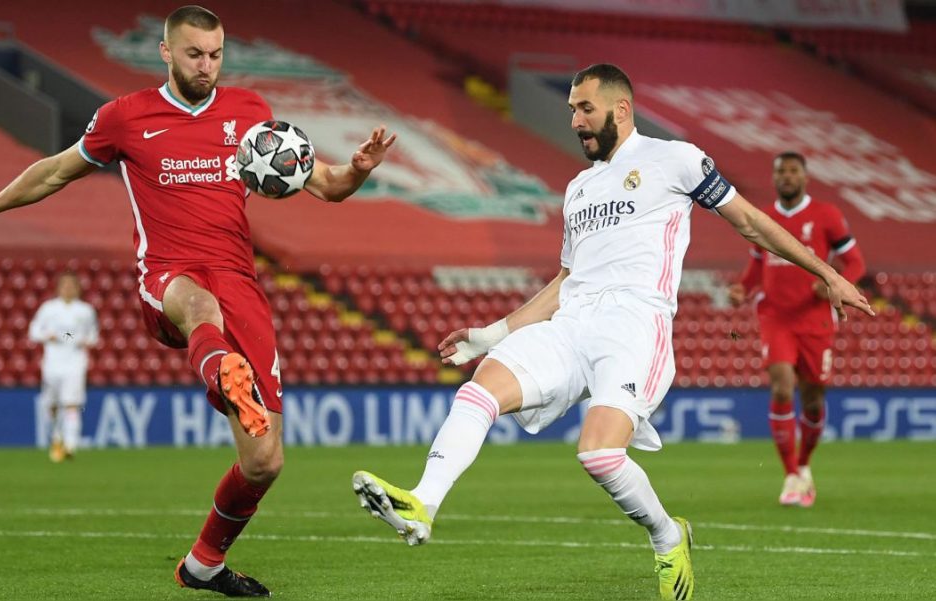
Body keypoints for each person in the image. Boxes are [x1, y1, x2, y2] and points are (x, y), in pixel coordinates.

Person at [351, 64, 872, 601]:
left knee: (598, 455)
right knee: (480, 388)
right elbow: (566, 279)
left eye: (585, 109)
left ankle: (668, 536)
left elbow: (750, 222)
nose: (575, 121)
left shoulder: (676, 159)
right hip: (571, 323)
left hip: (634, 326)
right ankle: (423, 503)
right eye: (571, 110)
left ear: (621, 110)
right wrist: (492, 333)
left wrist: (828, 274)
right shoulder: (578, 189)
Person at [0, 5, 395, 597]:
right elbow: (54, 172)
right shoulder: (125, 118)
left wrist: (357, 169)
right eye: (195, 54)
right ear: (166, 52)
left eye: (216, 54)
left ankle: (202, 564)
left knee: (264, 462)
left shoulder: (250, 114)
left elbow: (326, 185)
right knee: (201, 309)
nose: (207, 65)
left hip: (239, 282)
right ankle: (222, 371)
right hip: (169, 276)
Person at [728, 152, 865, 508]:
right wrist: (743, 288)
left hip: (815, 319)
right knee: (781, 385)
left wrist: (835, 283)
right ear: (774, 178)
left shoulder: (827, 215)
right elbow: (758, 265)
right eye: (781, 172)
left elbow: (855, 262)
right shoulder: (764, 217)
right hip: (776, 317)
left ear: (804, 177)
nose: (787, 177)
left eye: (793, 171)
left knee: (813, 398)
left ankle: (804, 466)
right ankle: (790, 474)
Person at [28, 271, 100, 463]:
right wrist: (47, 336)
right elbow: (33, 331)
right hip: (52, 363)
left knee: (71, 403)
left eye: (71, 285)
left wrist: (86, 340)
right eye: (64, 285)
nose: (68, 288)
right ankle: (57, 437)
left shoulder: (86, 310)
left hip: (75, 363)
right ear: (58, 288)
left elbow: (94, 335)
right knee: (51, 405)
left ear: (78, 288)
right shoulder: (48, 308)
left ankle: (70, 445)